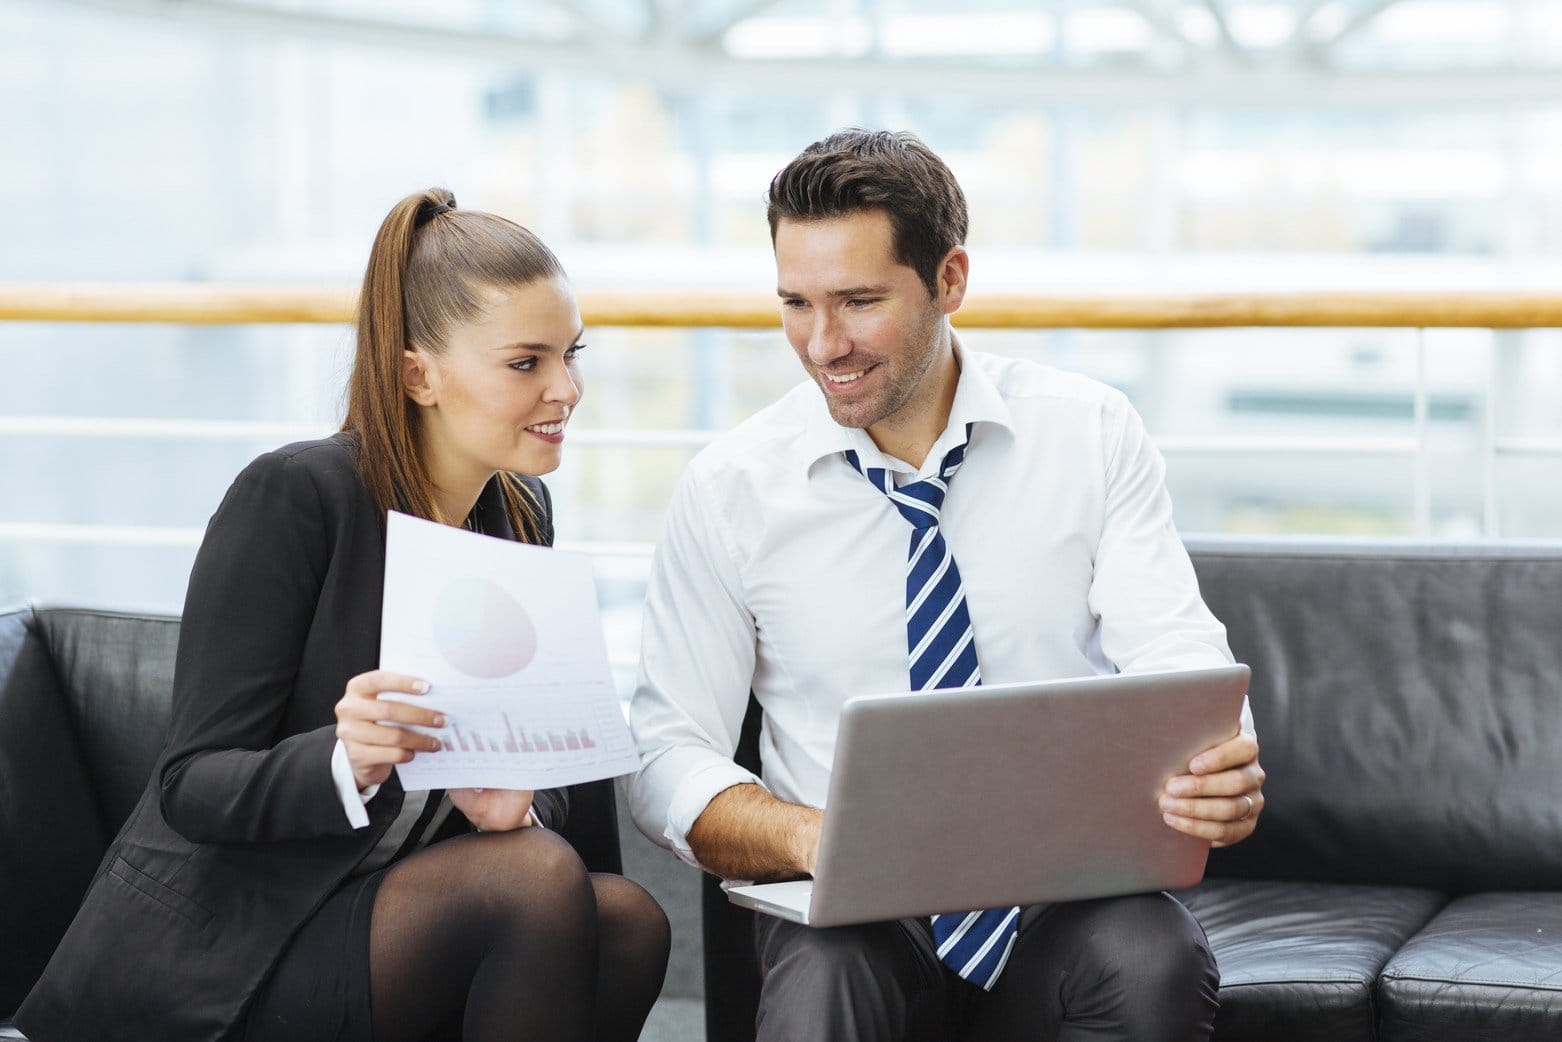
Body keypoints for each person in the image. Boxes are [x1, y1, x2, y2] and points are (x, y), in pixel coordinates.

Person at [627, 130, 1265, 1042]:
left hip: (1056, 896)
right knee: (825, 981)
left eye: (859, 302)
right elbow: (667, 753)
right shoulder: (732, 489)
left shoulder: (1088, 433)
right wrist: (813, 836)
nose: (823, 344)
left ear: (949, 279)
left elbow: (1176, 653)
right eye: (797, 304)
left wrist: (1219, 761)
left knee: (1150, 958)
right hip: (851, 912)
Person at [19, 188, 670, 1042]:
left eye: (571, 354)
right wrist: (343, 759)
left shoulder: (518, 512)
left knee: (627, 920)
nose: (568, 389)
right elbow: (192, 783)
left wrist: (521, 805)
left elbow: (540, 767)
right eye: (526, 363)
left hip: (395, 911)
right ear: (417, 375)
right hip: (240, 944)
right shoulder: (295, 497)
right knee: (534, 880)